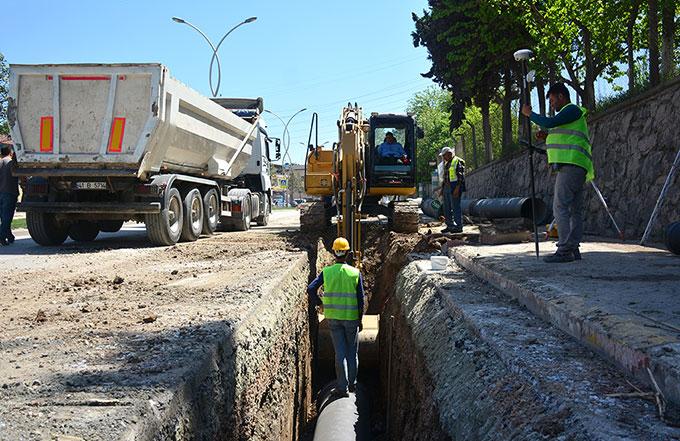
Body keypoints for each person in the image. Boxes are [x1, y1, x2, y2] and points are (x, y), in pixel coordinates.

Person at [522, 82, 594, 263]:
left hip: (571, 165)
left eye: (553, 101)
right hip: (577, 165)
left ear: (561, 96)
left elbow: (549, 122)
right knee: (574, 209)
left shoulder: (572, 109)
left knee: (560, 207)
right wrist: (547, 136)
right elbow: (562, 132)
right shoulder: (568, 116)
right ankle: (573, 248)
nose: (552, 105)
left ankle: (564, 250)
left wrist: (530, 114)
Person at [308, 237, 365, 397]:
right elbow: (361, 300)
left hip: (333, 318)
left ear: (334, 252)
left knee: (339, 353)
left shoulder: (327, 272)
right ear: (347, 253)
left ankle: (342, 387)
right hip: (351, 318)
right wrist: (360, 319)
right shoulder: (355, 273)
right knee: (352, 352)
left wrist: (320, 303)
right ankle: (352, 385)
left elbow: (311, 288)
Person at [440, 147, 466, 233]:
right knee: (446, 208)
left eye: (444, 156)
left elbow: (461, 177)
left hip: (454, 187)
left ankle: (459, 227)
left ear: (449, 154)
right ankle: (450, 226)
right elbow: (445, 177)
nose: (443, 158)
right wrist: (442, 189)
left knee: (455, 207)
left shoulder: (458, 161)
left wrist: (457, 189)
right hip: (447, 188)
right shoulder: (447, 163)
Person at [0, 146, 19, 246]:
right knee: (7, 217)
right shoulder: (11, 163)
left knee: (3, 217)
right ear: (10, 152)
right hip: (9, 192)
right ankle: (2, 236)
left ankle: (9, 236)